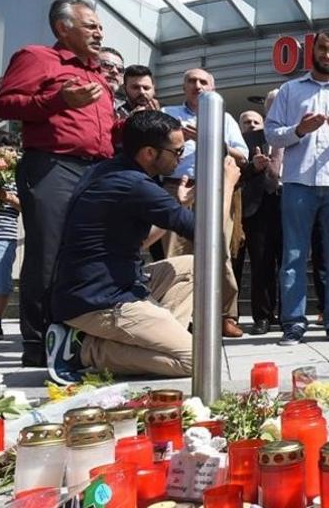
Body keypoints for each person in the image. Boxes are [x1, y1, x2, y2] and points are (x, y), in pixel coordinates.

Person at [45, 110, 240, 383]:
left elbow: (142, 242)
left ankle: (153, 336)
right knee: (197, 359)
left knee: (193, 265)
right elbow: (210, 237)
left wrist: (180, 205)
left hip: (100, 286)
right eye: (177, 150)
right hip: (100, 302)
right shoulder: (134, 184)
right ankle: (83, 350)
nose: (181, 157)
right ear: (149, 153)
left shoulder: (107, 171)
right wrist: (228, 185)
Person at [0, 0, 115, 368]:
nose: (99, 32)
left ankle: (76, 337)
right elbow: (5, 104)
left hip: (97, 172)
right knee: (47, 255)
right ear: (63, 28)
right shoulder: (37, 57)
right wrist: (57, 99)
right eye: (90, 25)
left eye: (99, 27)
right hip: (53, 166)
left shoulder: (98, 76)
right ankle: (37, 343)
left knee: (88, 256)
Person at [265, 30, 329, 345]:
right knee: (294, 254)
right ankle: (294, 323)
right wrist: (299, 129)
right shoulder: (290, 90)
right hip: (299, 183)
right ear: (313, 51)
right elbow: (271, 134)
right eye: (323, 50)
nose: (328, 56)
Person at [161, 67, 249, 338]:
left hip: (215, 190)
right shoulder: (168, 114)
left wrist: (209, 139)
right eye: (191, 81)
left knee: (218, 251)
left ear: (212, 87)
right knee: (176, 255)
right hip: (177, 189)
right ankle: (178, 316)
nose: (197, 85)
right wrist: (179, 138)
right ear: (183, 86)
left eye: (203, 82)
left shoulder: (225, 118)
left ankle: (225, 316)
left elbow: (242, 155)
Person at [237, 109, 283, 335]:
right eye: (247, 122)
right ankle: (263, 317)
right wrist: (253, 167)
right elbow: (236, 174)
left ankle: (289, 316)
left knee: (288, 264)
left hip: (288, 205)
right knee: (261, 264)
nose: (252, 125)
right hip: (256, 208)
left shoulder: (286, 137)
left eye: (256, 121)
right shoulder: (239, 144)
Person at [0, 135, 20, 339]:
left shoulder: (19, 177)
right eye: (9, 149)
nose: (14, 153)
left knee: (1, 282)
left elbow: (27, 207)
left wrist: (8, 197)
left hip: (5, 235)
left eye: (15, 150)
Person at [99, 47, 125, 114]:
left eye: (120, 69)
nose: (115, 71)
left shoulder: (125, 112)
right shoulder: (78, 101)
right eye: (107, 65)